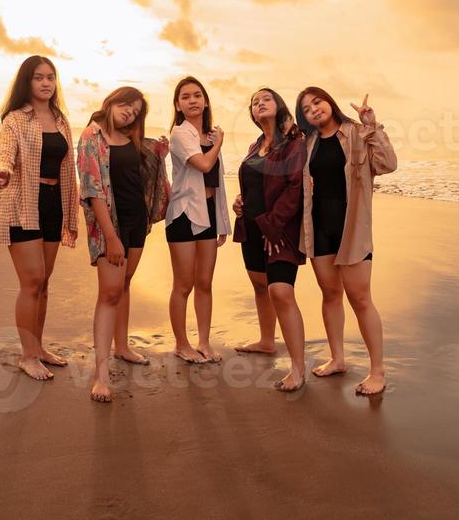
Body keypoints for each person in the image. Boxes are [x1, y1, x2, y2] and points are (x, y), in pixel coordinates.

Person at [296, 87, 397, 395]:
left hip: (352, 228)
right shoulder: (308, 143)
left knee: (360, 298)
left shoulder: (355, 132)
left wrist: (372, 126)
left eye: (317, 101)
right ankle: (337, 359)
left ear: (329, 101)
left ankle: (377, 371)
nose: (314, 109)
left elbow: (388, 164)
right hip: (319, 227)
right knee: (329, 294)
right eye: (307, 108)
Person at [77, 87, 169, 403]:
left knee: (125, 284)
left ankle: (123, 346)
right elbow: (93, 191)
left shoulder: (130, 139)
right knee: (110, 293)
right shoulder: (92, 137)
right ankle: (101, 375)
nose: (130, 111)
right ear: (113, 101)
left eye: (136, 109)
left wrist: (160, 152)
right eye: (126, 104)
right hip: (110, 227)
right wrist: (111, 236)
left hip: (135, 221)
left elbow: (141, 171)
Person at [0, 55, 78, 381]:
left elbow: (68, 164)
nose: (46, 83)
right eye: (39, 77)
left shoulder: (61, 119)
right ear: (26, 82)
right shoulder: (15, 120)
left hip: (54, 202)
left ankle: (38, 348)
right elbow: (3, 151)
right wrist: (1, 170)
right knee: (31, 282)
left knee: (43, 284)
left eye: (50, 77)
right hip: (23, 201)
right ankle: (27, 356)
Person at [232, 89, 308, 392]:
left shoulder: (293, 144)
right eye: (254, 102)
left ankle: (298, 368)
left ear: (279, 106)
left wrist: (272, 227)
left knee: (281, 292)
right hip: (251, 228)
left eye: (265, 98)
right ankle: (266, 341)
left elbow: (294, 190)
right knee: (260, 286)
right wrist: (240, 203)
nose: (259, 103)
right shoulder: (254, 146)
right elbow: (254, 184)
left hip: (279, 231)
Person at [165, 77, 231, 363]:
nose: (191, 100)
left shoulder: (209, 137)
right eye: (185, 97)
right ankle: (182, 343)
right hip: (183, 215)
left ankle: (204, 342)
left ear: (205, 101)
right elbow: (204, 165)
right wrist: (220, 143)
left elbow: (217, 183)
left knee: (205, 282)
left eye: (196, 95)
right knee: (184, 284)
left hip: (208, 212)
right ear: (178, 105)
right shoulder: (180, 134)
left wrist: (222, 220)